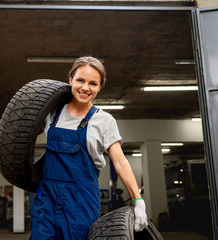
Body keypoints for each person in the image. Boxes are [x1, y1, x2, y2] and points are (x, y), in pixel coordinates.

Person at [30, 56, 148, 240]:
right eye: (80, 80)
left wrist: (138, 200)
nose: (85, 88)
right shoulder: (51, 112)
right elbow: (20, 135)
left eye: (93, 83)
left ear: (100, 87)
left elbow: (120, 162)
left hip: (80, 201)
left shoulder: (104, 121)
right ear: (70, 80)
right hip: (47, 198)